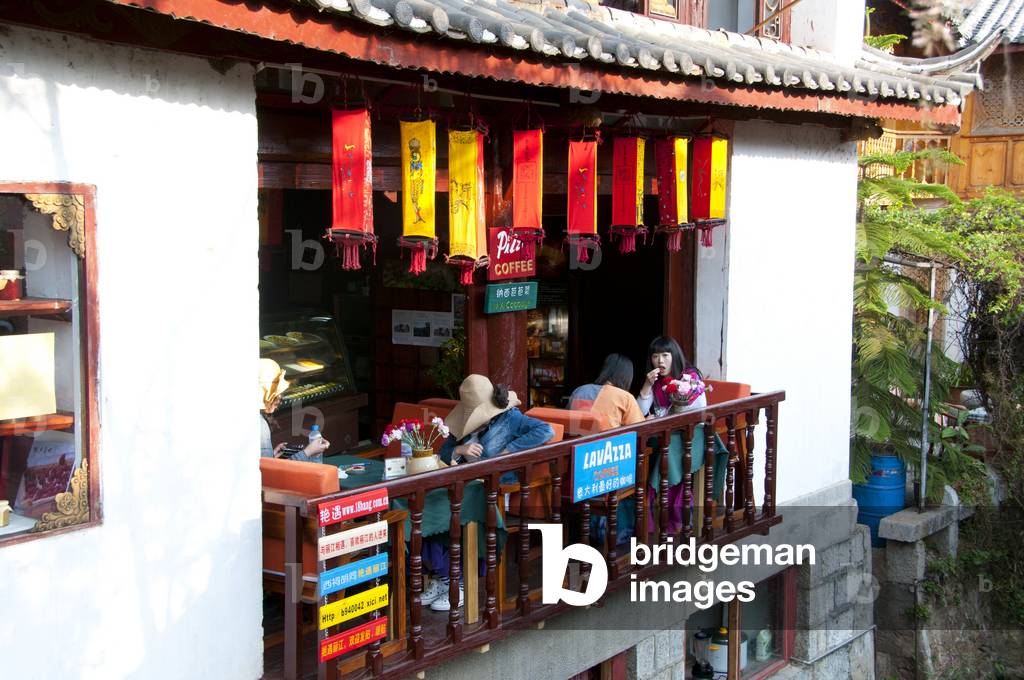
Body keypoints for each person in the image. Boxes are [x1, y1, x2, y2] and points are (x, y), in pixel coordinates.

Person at [419, 374, 553, 612]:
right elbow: (445, 452)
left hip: (492, 486)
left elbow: (545, 431)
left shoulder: (510, 418)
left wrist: (507, 452)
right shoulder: (461, 427)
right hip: (460, 481)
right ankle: (442, 575)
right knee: (428, 506)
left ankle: (456, 582)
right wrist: (461, 448)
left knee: (452, 512)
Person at [259, 358, 330, 461]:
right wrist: (308, 452)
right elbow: (269, 472)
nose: (280, 398)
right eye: (276, 392)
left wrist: (271, 455)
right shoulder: (260, 426)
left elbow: (260, 463)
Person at [568, 353, 645, 429]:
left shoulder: (580, 390)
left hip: (576, 440)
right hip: (607, 440)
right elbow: (638, 428)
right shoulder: (626, 397)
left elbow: (568, 420)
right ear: (627, 376)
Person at [637, 336, 707, 418]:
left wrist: (657, 419)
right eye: (655, 356)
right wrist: (647, 384)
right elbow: (639, 412)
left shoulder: (689, 377)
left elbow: (693, 411)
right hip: (665, 428)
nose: (660, 361)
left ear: (675, 356)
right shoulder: (655, 380)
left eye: (665, 355)